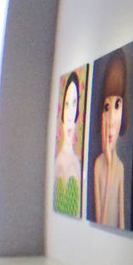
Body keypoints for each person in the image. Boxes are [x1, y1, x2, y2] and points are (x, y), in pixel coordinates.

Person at [92, 50, 128, 228]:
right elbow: (101, 221)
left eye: (117, 105)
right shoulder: (98, 165)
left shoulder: (120, 168)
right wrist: (108, 161)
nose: (112, 119)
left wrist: (113, 164)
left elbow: (121, 222)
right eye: (107, 107)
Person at [53, 70, 83, 216]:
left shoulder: (77, 163)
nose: (70, 114)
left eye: (74, 103)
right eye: (66, 104)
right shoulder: (57, 162)